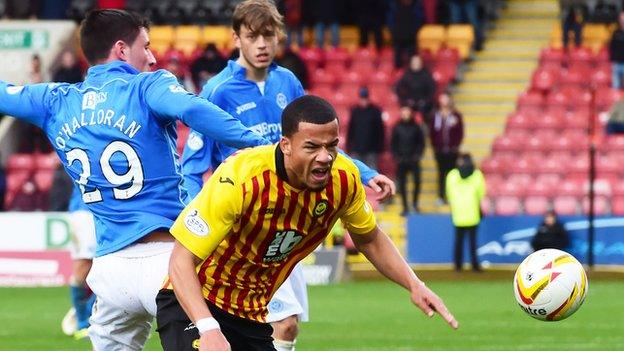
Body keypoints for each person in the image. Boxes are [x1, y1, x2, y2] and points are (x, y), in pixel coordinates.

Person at [0, 9, 270, 350]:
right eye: (146, 46)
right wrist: (259, 143)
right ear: (122, 50)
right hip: (168, 263)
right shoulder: (148, 86)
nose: (153, 57)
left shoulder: (55, 100)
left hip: (110, 271)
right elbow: (192, 109)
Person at [157, 95, 459, 351]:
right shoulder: (240, 178)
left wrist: (414, 285)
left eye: (332, 146)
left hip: (250, 313)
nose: (325, 157)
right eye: (312, 147)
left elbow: (369, 238)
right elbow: (181, 261)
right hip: (195, 303)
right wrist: (208, 327)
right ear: (286, 144)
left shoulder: (344, 180)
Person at [181, 2, 395, 349]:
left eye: (269, 34)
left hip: (288, 218)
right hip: (244, 224)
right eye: (253, 36)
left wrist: (366, 173)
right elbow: (193, 163)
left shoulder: (287, 81)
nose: (262, 44)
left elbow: (317, 144)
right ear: (236, 38)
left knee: (287, 326)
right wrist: (195, 216)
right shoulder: (218, 91)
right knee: (279, 323)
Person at [446, 153, 485, 272]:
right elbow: (481, 192)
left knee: (458, 241)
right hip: (472, 211)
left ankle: (458, 266)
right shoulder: (477, 174)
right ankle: (475, 265)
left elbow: (449, 192)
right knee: (473, 242)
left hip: (458, 212)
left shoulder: (452, 175)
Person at [428, 91, 464, 205]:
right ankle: (441, 196)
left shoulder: (455, 115)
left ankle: (452, 195)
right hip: (440, 150)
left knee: (453, 174)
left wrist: (455, 146)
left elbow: (460, 132)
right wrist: (435, 146)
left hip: (452, 150)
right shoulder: (436, 115)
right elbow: (432, 133)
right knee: (441, 173)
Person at [391, 106, 425, 215]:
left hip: (414, 160)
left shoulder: (416, 127)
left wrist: (417, 155)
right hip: (402, 161)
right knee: (402, 184)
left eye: (407, 112)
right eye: (403, 112)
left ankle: (415, 204)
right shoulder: (397, 127)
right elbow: (393, 143)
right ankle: (405, 207)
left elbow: (421, 143)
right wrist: (397, 156)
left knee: (417, 182)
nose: (405, 114)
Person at [346, 87, 385, 170]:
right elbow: (351, 129)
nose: (363, 101)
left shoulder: (375, 111)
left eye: (365, 98)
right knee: (357, 171)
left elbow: (380, 130)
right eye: (362, 98)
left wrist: (380, 147)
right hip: (357, 148)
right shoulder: (355, 111)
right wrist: (349, 145)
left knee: (372, 172)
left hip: (372, 148)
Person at [609, 11, 624, 90]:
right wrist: (613, 59)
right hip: (617, 63)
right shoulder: (616, 33)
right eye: (621, 19)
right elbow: (612, 47)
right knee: (615, 87)